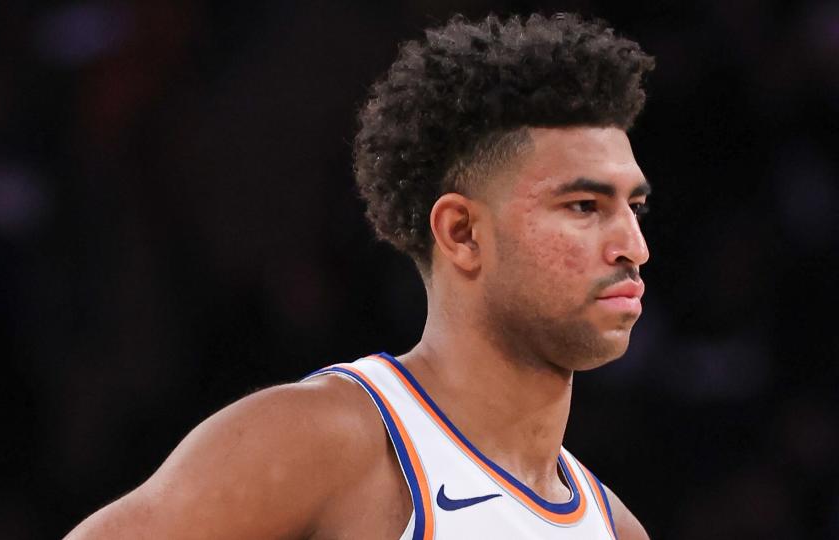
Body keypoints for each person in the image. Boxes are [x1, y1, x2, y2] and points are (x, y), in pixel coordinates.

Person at [67, 12, 654, 539]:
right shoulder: (325, 441)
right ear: (462, 233)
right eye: (584, 207)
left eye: (636, 207)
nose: (635, 246)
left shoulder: (616, 527)